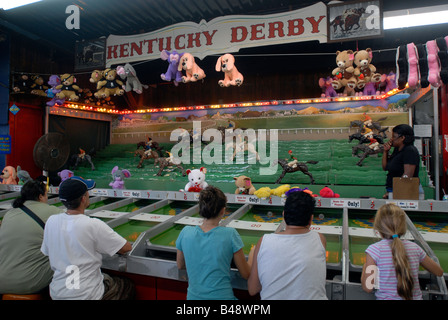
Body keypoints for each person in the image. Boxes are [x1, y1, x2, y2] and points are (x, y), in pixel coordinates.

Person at [41, 176, 134, 300]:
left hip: (57, 293)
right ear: (83, 199)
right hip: (87, 295)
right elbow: (125, 248)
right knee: (126, 285)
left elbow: (47, 251)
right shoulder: (93, 224)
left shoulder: (51, 221)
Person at [176, 186, 254, 300]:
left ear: (200, 208)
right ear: (223, 210)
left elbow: (180, 265)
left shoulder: (185, 232)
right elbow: (246, 274)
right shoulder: (230, 234)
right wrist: (252, 254)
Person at [247, 190, 328, 300]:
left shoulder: (264, 241)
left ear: (284, 215)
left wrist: (253, 256)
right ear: (311, 219)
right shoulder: (320, 239)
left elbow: (253, 289)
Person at [361, 203, 443, 300]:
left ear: (378, 228)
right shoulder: (415, 248)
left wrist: (366, 266)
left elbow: (368, 288)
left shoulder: (374, 250)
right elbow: (438, 272)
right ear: (403, 227)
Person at [0, 180, 63, 295]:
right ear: (40, 196)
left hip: (2, 281)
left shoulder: (9, 214)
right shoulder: (53, 212)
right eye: (46, 195)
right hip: (27, 282)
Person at [382, 124, 421, 199]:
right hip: (393, 189)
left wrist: (396, 192)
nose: (392, 139)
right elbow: (385, 167)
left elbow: (407, 175)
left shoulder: (410, 150)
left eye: (394, 136)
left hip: (405, 191)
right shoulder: (397, 150)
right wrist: (385, 152)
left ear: (402, 138)